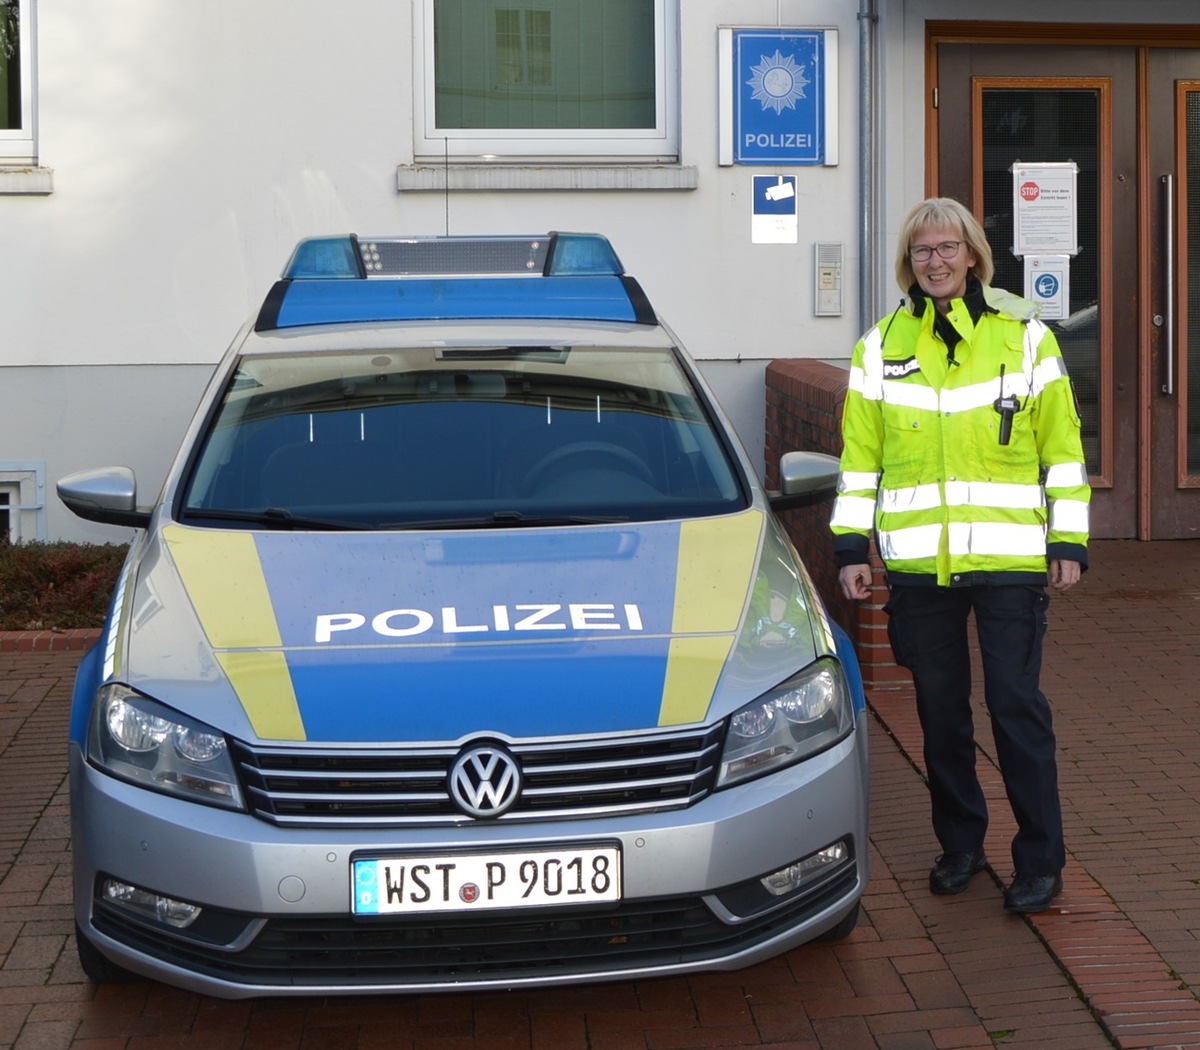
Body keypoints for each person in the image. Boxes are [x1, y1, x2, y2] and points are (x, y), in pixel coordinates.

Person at [830, 197, 1090, 915]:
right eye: (921, 252)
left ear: (973, 255)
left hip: (1009, 560)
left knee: (1015, 708)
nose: (935, 262)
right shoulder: (879, 347)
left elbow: (1062, 453)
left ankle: (1040, 858)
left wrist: (1068, 540)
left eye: (947, 249)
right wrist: (853, 545)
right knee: (940, 714)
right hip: (919, 567)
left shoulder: (1025, 341)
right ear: (906, 264)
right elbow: (860, 461)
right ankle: (962, 844)